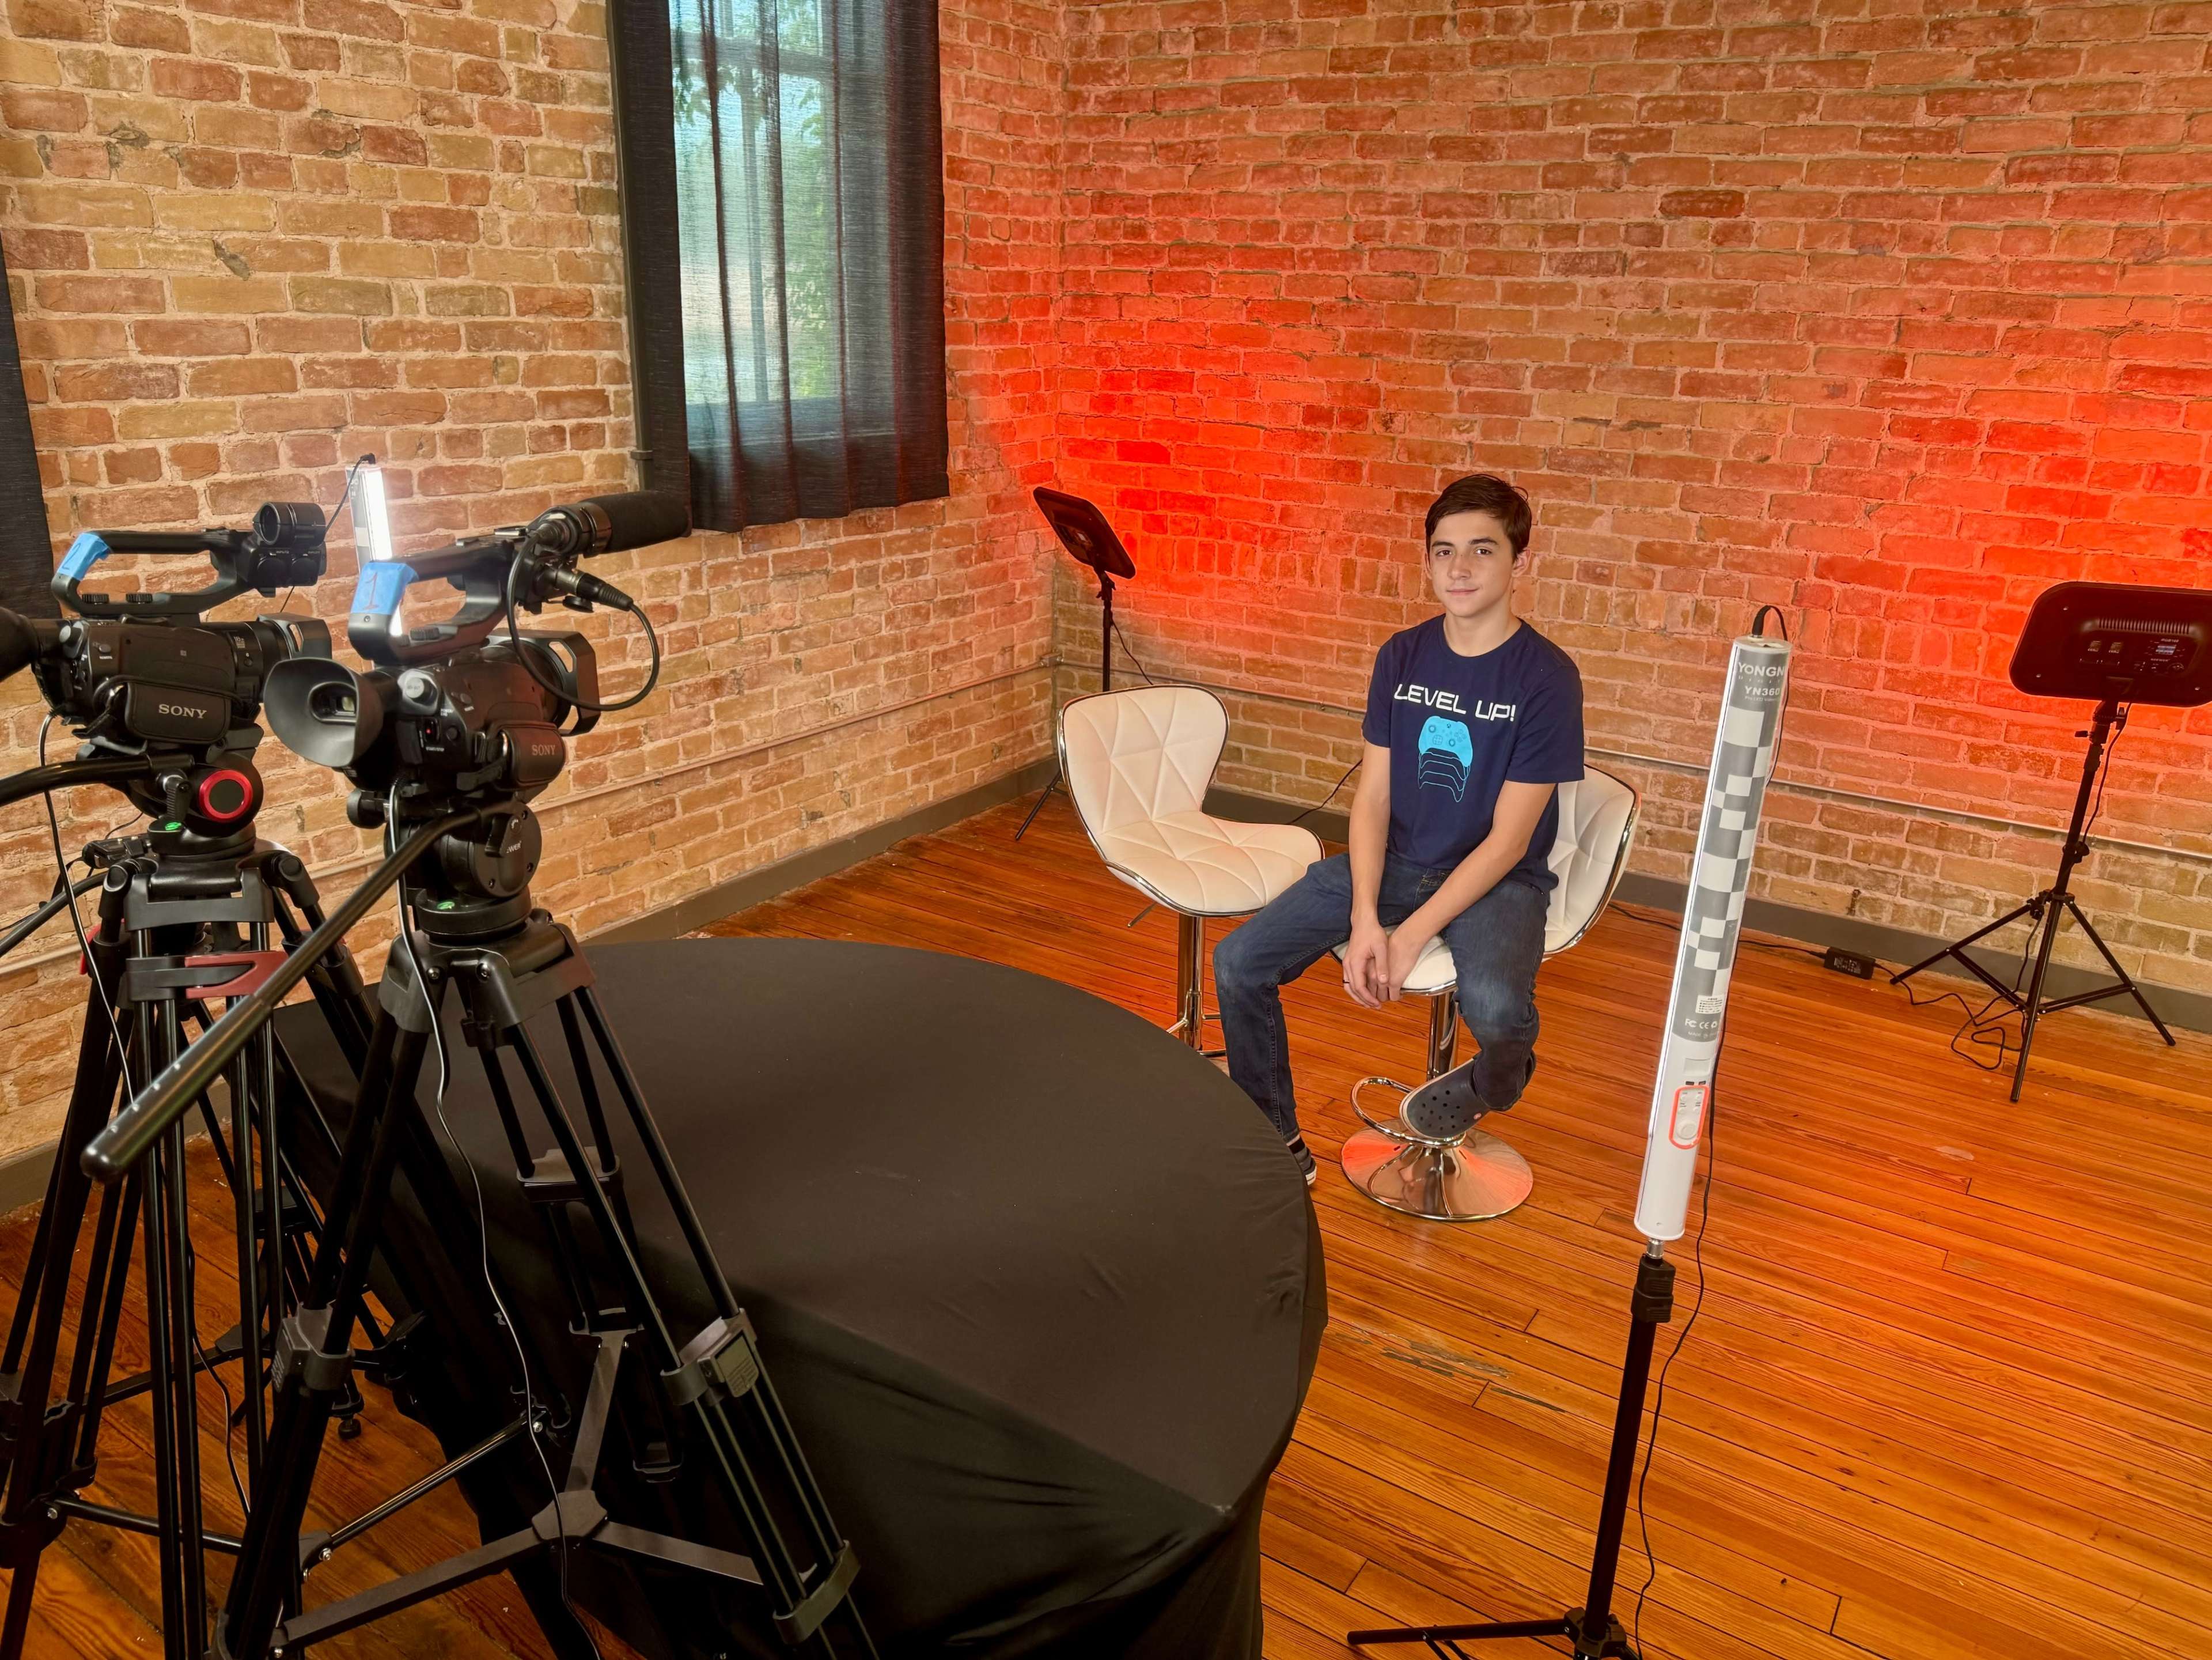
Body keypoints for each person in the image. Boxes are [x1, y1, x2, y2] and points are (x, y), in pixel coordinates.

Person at [1214, 474, 1586, 1185]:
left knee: (1501, 1015)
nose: (1461, 568)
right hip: (1397, 861)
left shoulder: (1545, 678)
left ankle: (1494, 1085)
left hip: (1497, 878)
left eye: (1482, 549)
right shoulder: (1403, 657)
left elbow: (1509, 841)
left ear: (1519, 562)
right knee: (1239, 962)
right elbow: (1373, 796)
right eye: (1444, 551)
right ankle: (1274, 1137)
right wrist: (1363, 916)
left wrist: (1409, 934)